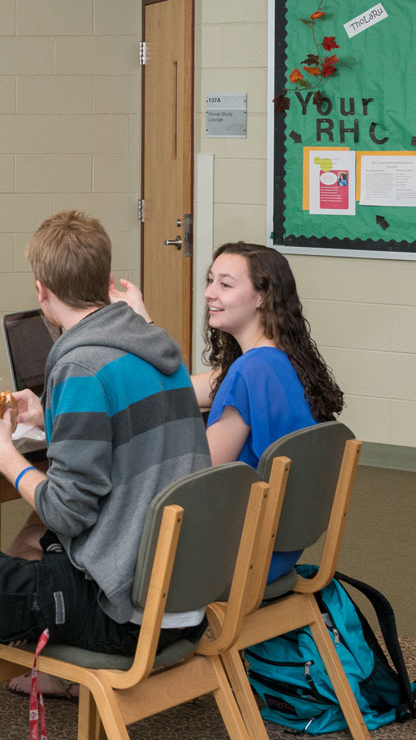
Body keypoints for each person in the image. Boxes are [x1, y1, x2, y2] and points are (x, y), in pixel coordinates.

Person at [0, 211, 213, 666]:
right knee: (25, 545)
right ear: (106, 280)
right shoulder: (153, 347)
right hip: (182, 600)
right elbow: (129, 434)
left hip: (124, 614)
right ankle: (28, 645)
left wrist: (2, 453)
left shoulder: (80, 367)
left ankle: (11, 630)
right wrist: (52, 417)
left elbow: (67, 512)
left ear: (42, 291)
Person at [112, 241, 345, 583]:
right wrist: (143, 320)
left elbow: (197, 477)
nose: (209, 293)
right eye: (210, 281)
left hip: (236, 554)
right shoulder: (280, 360)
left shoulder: (250, 371)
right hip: (277, 547)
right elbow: (182, 388)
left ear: (261, 297)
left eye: (225, 284)